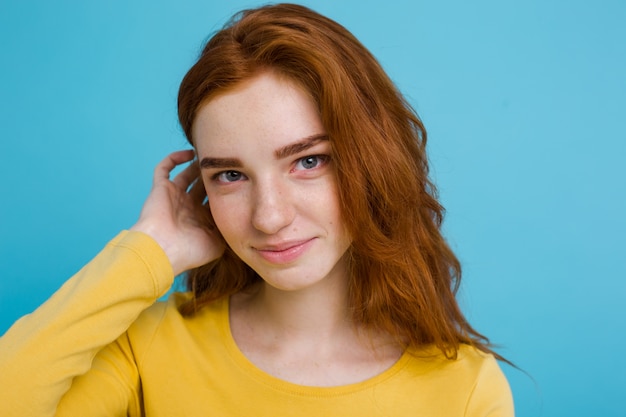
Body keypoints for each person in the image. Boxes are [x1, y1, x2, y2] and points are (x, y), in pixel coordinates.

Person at [0, 3, 514, 416]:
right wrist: (146, 253)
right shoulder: (146, 348)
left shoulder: (464, 391)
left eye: (309, 161)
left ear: (373, 159)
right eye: (230, 175)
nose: (268, 217)